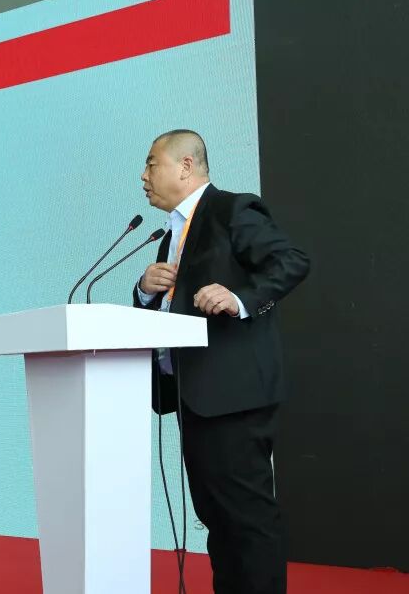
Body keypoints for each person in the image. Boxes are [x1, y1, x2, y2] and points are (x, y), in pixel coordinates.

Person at [132, 129, 310, 594]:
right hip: (193, 397)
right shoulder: (169, 235)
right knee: (218, 519)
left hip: (233, 395)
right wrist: (145, 292)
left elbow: (290, 261)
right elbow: (174, 312)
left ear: (186, 165)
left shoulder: (232, 209)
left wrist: (239, 298)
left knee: (247, 520)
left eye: (151, 163)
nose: (143, 176)